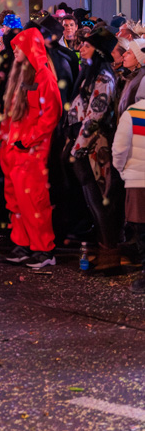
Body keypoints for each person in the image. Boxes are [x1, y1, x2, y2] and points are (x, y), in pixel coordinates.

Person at [0, 28, 62, 269]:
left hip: (30, 151)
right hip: (14, 149)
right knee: (15, 201)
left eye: (18, 46)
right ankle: (23, 245)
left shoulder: (43, 76)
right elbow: (10, 115)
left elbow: (51, 114)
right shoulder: (20, 77)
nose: (14, 49)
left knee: (34, 201)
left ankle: (44, 250)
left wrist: (28, 140)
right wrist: (6, 142)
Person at [65, 27, 121, 272]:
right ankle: (102, 248)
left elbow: (94, 116)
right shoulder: (90, 73)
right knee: (92, 199)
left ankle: (111, 253)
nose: (80, 48)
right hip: (86, 145)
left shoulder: (104, 78)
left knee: (100, 199)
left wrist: (77, 148)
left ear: (97, 52)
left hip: (97, 148)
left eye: (86, 45)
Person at [112, 98, 145, 293]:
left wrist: (124, 172)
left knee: (141, 232)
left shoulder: (132, 114)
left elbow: (119, 149)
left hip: (138, 182)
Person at [116, 38, 145, 118]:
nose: (124, 54)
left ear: (139, 60)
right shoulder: (129, 78)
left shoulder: (139, 81)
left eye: (129, 53)